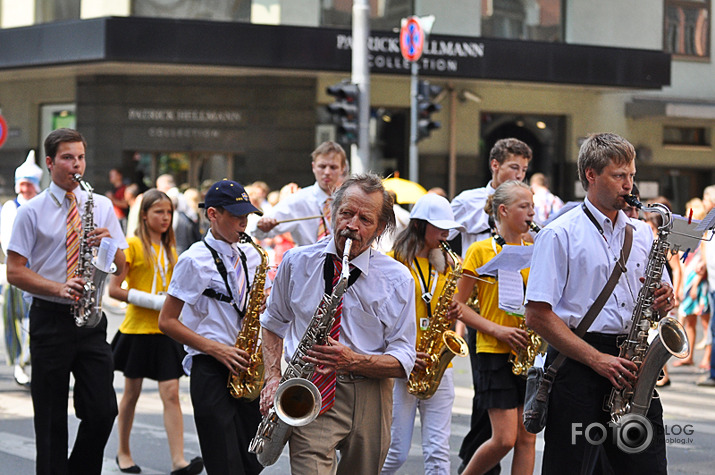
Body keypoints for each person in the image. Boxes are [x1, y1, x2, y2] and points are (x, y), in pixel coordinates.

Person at [524, 132, 674, 474]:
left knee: (647, 466)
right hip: (578, 364)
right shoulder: (559, 233)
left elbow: (659, 298)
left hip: (632, 364)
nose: (629, 185)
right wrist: (597, 360)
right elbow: (537, 315)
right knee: (573, 467)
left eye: (631, 175)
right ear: (591, 175)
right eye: (619, 176)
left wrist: (665, 299)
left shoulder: (643, 232)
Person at [259, 173, 416, 474]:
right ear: (333, 212)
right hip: (308, 386)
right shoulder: (296, 261)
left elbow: (404, 357)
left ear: (381, 228)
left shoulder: (397, 278)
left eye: (365, 219)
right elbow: (272, 323)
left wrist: (354, 360)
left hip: (370, 394)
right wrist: (273, 379)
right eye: (346, 213)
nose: (352, 226)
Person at [6, 128, 128, 475]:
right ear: (49, 162)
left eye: (81, 157)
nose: (77, 165)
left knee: (103, 412)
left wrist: (112, 245)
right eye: (67, 158)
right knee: (50, 419)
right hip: (50, 318)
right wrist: (58, 288)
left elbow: (123, 266)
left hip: (91, 320)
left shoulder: (101, 205)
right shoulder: (31, 212)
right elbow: (15, 272)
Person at [158, 179, 266, 474]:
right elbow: (166, 321)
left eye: (246, 217)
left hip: (244, 364)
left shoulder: (252, 255)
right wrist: (214, 348)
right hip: (210, 364)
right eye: (236, 217)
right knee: (223, 461)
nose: (243, 224)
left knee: (251, 461)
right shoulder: (194, 259)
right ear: (213, 214)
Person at [450, 137, 532, 474]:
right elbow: (458, 304)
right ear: (503, 211)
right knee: (504, 438)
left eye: (532, 207)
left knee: (528, 438)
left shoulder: (536, 246)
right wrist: (497, 329)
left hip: (526, 349)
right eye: (524, 207)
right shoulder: (481, 250)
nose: (531, 214)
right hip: (492, 346)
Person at [108, 189, 203, 475]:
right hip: (137, 330)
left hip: (165, 330)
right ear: (145, 215)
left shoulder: (173, 250)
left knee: (171, 393)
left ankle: (179, 460)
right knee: (132, 392)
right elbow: (113, 290)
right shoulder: (133, 246)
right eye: (159, 212)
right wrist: (150, 300)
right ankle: (123, 452)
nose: (165, 218)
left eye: (169, 212)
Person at [380, 193, 465, 475]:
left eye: (448, 228)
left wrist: (454, 310)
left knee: (439, 453)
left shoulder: (447, 264)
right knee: (395, 453)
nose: (446, 233)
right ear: (418, 225)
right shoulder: (392, 261)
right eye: (439, 227)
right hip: (403, 363)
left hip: (438, 365)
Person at [254, 141, 348, 246]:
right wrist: (262, 225)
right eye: (322, 166)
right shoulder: (298, 200)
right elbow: (258, 232)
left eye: (333, 167)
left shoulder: (348, 203)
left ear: (342, 168)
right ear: (313, 167)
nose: (327, 172)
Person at [1, 150, 43, 387]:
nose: (24, 188)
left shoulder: (41, 206)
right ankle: (19, 363)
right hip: (17, 272)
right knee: (15, 319)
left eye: (28, 184)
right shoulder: (10, 208)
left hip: (39, 272)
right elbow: (7, 242)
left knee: (34, 320)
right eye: (22, 184)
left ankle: (33, 362)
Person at [676, 198, 710, 369]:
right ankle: (687, 356)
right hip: (688, 282)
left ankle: (707, 359)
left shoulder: (705, 236)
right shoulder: (687, 234)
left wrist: (695, 283)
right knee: (688, 320)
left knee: (706, 322)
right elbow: (681, 264)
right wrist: (681, 286)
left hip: (700, 283)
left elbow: (705, 264)